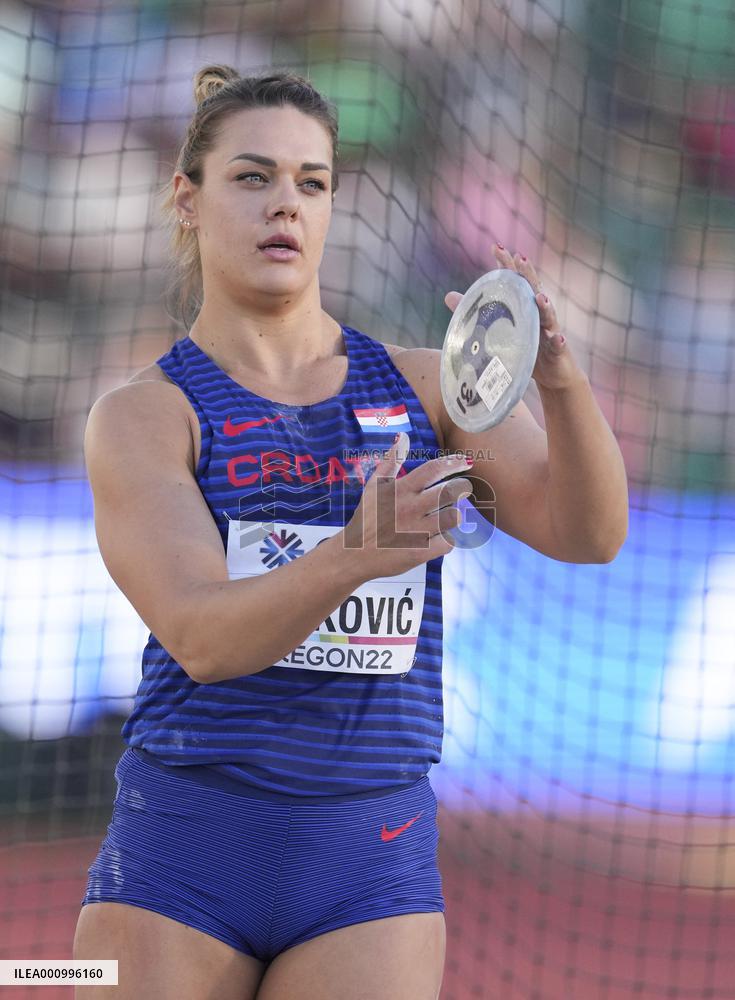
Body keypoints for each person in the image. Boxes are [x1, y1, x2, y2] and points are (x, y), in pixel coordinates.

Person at [73, 65, 628, 1000]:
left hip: (370, 862)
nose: (285, 204)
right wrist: (351, 557)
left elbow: (587, 533)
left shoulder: (422, 389)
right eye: (252, 177)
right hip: (180, 853)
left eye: (311, 182)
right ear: (188, 199)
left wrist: (561, 381)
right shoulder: (146, 415)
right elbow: (205, 639)